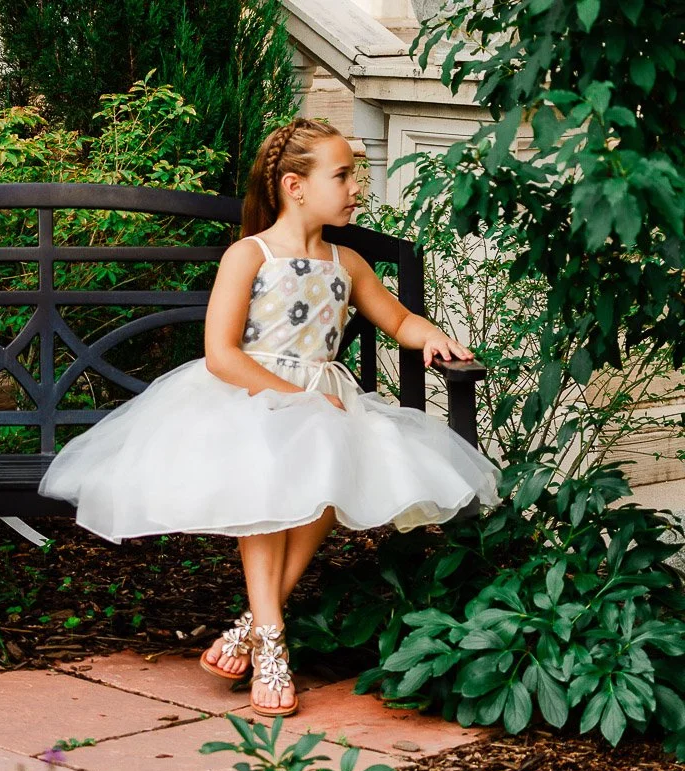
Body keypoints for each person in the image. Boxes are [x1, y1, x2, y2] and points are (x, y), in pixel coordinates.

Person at [39, 119, 500, 717]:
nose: (356, 187)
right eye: (343, 176)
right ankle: (274, 644)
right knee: (265, 477)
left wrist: (431, 334)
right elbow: (221, 353)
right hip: (250, 395)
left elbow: (397, 319)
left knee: (335, 471)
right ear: (294, 185)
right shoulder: (248, 255)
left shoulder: (348, 261)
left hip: (326, 401)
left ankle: (250, 628)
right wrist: (293, 396)